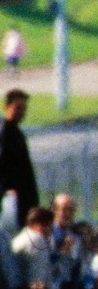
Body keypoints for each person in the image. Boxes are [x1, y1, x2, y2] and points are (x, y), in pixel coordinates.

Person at [0, 88, 37, 224]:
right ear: (7, 107)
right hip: (12, 202)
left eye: (24, 109)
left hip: (24, 198)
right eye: (18, 108)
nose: (22, 113)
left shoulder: (16, 132)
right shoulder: (5, 133)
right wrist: (4, 190)